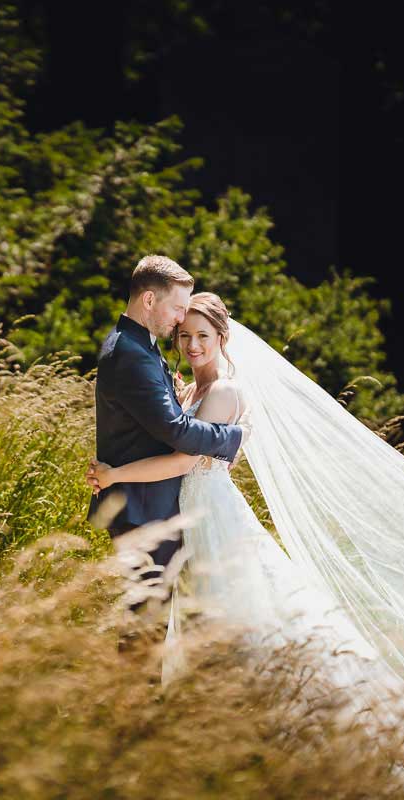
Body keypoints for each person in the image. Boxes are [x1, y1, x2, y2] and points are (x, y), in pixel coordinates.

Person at [87, 292, 404, 798]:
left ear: (223, 338)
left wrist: (114, 475)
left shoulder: (223, 393)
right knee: (222, 633)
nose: (193, 344)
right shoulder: (196, 389)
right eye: (185, 336)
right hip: (197, 520)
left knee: (247, 632)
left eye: (203, 336)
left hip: (213, 519)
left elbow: (180, 463)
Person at [86, 256, 244, 607]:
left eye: (200, 333)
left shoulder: (138, 346)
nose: (178, 323)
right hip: (145, 508)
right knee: (146, 627)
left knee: (155, 623)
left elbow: (159, 419)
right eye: (177, 311)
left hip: (157, 507)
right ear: (149, 300)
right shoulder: (131, 352)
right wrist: (232, 437)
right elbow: (174, 429)